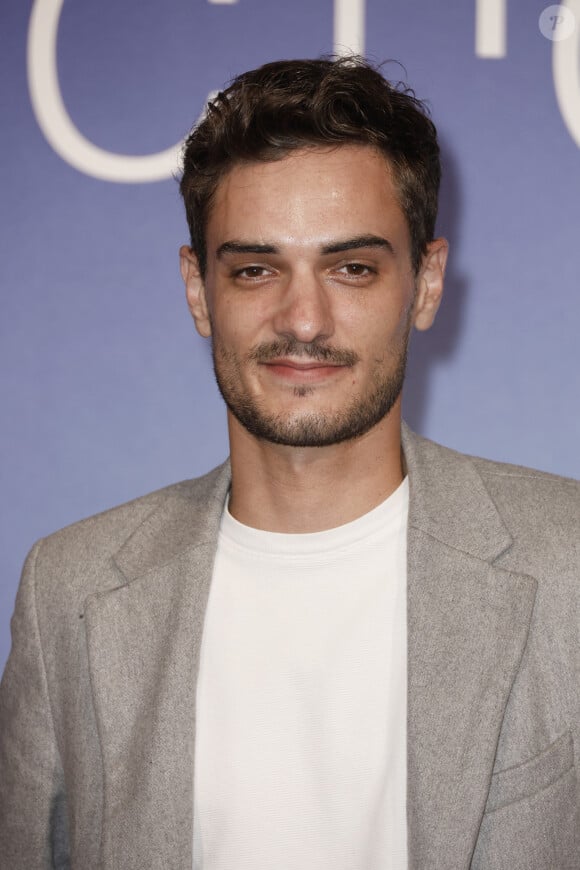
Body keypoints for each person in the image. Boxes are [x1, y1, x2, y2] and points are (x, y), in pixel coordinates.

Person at [0, 56, 578, 870]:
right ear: (199, 291)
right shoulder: (71, 589)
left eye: (352, 269)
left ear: (426, 283)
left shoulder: (569, 567)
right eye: (255, 270)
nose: (303, 320)